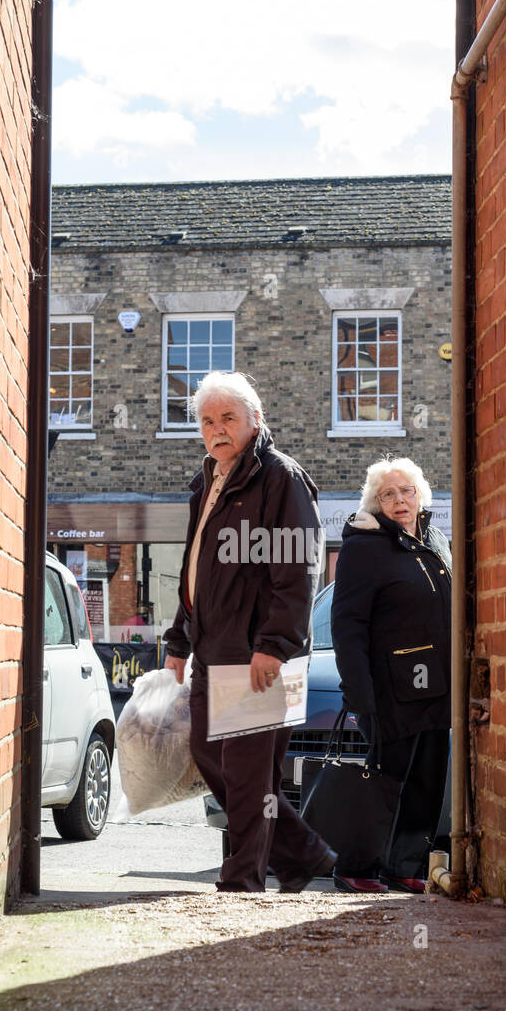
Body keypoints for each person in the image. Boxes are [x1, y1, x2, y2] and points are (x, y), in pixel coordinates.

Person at [163, 373, 337, 893]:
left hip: (260, 656)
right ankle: (303, 852)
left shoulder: (279, 478)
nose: (217, 429)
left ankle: (242, 881)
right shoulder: (209, 480)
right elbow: (196, 572)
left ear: (255, 420)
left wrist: (275, 647)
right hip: (212, 651)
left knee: (245, 776)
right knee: (208, 755)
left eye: (228, 418)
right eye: (207, 421)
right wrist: (178, 640)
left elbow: (298, 568)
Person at [330, 458, 451, 893]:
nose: (400, 500)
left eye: (407, 491)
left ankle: (406, 867)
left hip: (435, 686)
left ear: (421, 495)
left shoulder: (435, 541)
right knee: (385, 782)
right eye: (388, 494)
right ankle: (356, 866)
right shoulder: (365, 548)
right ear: (376, 503)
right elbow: (347, 626)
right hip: (390, 690)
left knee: (427, 782)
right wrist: (361, 696)